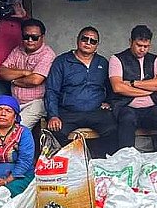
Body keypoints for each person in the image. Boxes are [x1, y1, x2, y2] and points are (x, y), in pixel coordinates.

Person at [45, 27, 116, 157]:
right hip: (68, 112)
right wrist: (53, 115)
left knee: (114, 130)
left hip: (96, 112)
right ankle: (69, 166)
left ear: (97, 46)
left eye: (93, 41)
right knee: (55, 133)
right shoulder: (62, 61)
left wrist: (109, 102)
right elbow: (51, 90)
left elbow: (112, 87)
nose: (88, 43)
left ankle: (99, 163)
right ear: (78, 40)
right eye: (85, 39)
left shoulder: (102, 63)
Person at [110, 25, 157, 150]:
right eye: (139, 45)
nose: (142, 49)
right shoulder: (116, 59)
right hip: (126, 106)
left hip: (152, 107)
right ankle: (127, 160)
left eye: (146, 46)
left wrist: (133, 83)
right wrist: (149, 90)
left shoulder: (155, 59)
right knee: (127, 119)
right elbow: (118, 87)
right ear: (130, 42)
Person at [0, 18, 56, 130]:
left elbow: (35, 80)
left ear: (42, 37)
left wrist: (13, 79)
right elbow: (2, 72)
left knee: (15, 130)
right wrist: (24, 72)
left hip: (37, 102)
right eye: (26, 36)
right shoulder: (17, 50)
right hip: (15, 101)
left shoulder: (47, 54)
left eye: (34, 37)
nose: (30, 40)